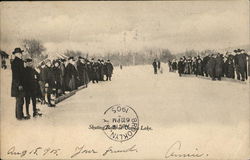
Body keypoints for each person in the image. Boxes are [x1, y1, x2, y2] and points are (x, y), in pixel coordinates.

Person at [11, 48, 26, 120]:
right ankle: (19, 116)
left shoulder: (19, 61)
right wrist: (19, 85)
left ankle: (20, 115)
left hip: (20, 84)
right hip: (18, 85)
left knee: (21, 100)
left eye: (21, 53)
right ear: (16, 54)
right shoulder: (16, 62)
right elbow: (16, 75)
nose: (21, 54)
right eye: (20, 53)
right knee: (19, 101)